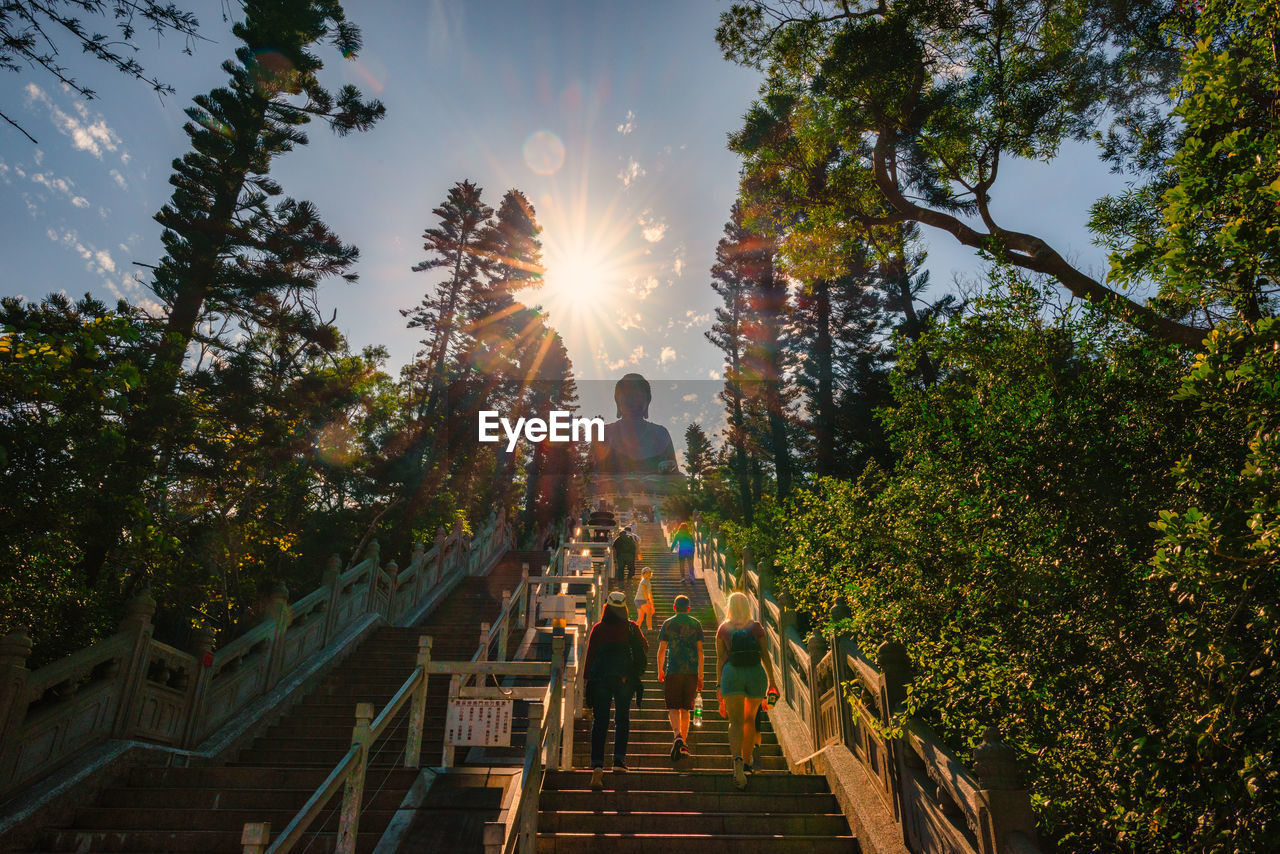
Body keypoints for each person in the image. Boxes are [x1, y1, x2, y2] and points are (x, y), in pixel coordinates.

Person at [583, 590, 648, 789]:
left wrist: (587, 682)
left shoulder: (598, 628)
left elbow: (590, 656)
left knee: (600, 721)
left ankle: (597, 766)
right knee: (622, 719)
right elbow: (644, 646)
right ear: (624, 608)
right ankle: (619, 761)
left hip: (601, 679)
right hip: (624, 679)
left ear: (607, 607)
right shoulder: (631, 628)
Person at [716, 591, 779, 790]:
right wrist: (772, 682)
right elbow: (765, 656)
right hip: (755, 674)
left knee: (735, 721)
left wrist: (719, 686)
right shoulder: (756, 627)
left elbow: (720, 659)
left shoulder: (723, 628)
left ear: (730, 607)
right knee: (750, 719)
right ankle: (747, 759)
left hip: (731, 674)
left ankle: (736, 761)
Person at [657, 594, 704, 762]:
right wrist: (701, 675)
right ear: (689, 608)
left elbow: (661, 650)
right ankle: (683, 742)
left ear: (674, 607)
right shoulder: (696, 624)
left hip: (673, 670)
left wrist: (660, 670)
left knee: (673, 707)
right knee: (686, 708)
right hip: (691, 671)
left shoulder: (668, 623)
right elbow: (700, 652)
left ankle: (677, 735)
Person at [634, 566, 656, 632]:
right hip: (641, 599)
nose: (648, 574)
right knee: (649, 613)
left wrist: (652, 604)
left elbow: (650, 594)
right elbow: (644, 592)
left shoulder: (647, 581)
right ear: (643, 574)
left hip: (638, 600)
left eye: (649, 573)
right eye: (646, 573)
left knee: (640, 617)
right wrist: (647, 601)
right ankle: (650, 629)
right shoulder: (644, 581)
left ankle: (636, 630)